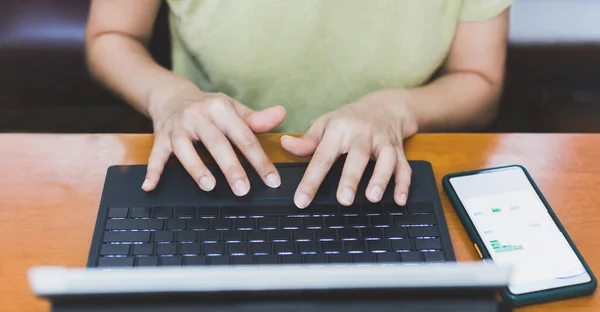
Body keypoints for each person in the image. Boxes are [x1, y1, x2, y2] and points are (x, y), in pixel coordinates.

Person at [85, 0, 512, 209]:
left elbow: (480, 80)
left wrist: (395, 110)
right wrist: (172, 98)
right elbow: (111, 36)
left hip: (392, 175)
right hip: (209, 173)